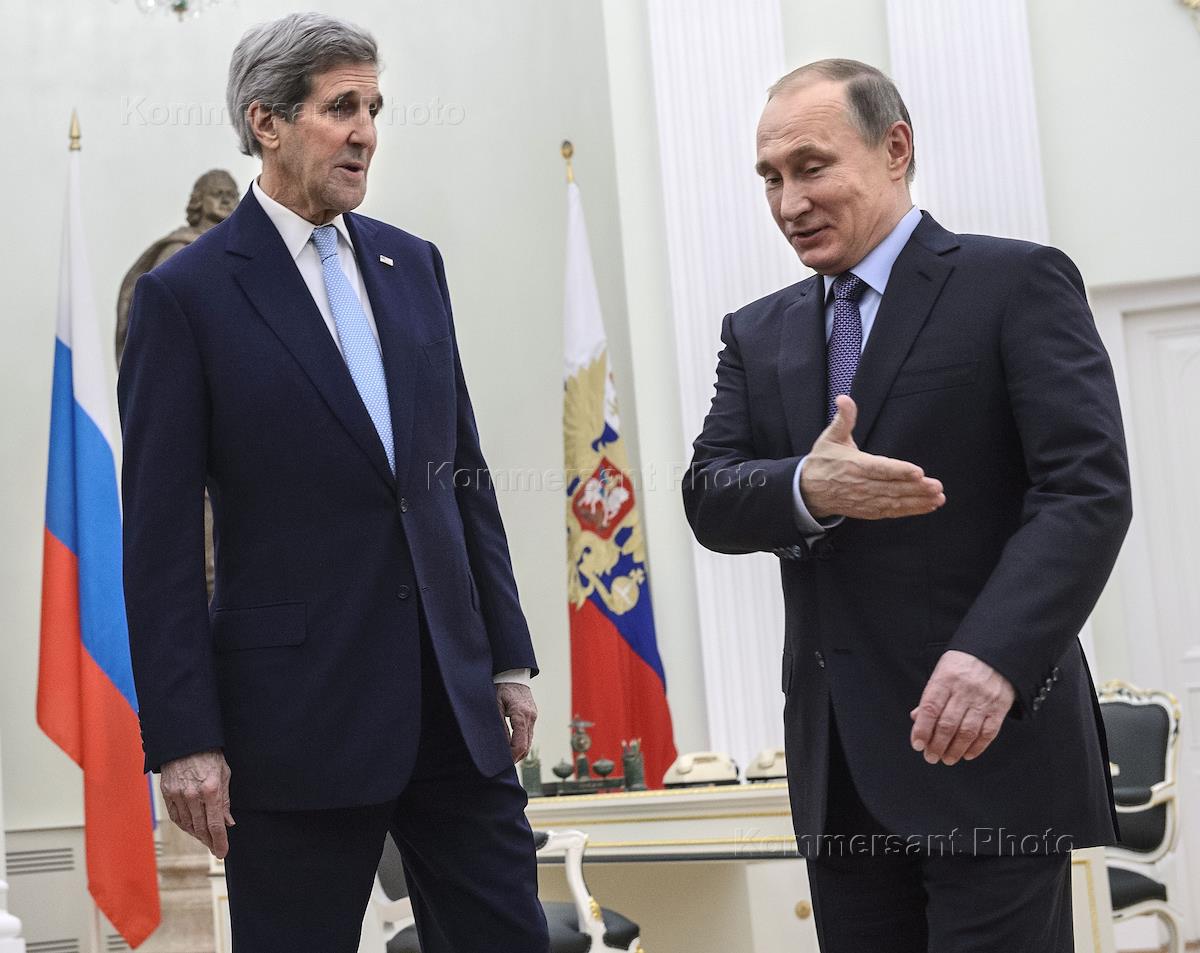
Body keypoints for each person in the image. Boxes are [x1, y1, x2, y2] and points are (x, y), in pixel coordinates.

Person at [118, 13, 548, 952]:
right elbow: (156, 540)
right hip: (294, 725)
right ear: (266, 121)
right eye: (341, 107)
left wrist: (508, 659)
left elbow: (462, 476)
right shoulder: (185, 297)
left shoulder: (413, 265)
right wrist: (183, 736)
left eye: (374, 109)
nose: (365, 133)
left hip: (454, 710)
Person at [682, 59, 1131, 952]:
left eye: (812, 167)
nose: (788, 202)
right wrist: (805, 486)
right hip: (841, 776)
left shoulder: (1015, 283)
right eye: (770, 178)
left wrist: (994, 656)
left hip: (986, 745)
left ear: (895, 149)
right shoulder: (757, 331)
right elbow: (709, 493)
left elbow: (1085, 489)